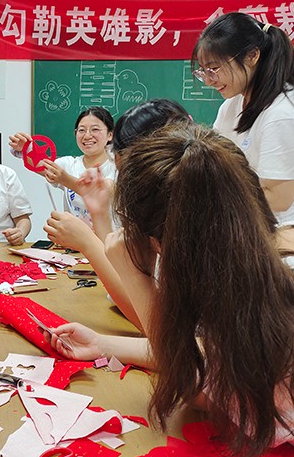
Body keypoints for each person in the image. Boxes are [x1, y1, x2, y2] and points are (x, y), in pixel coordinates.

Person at [45, 124, 294, 457]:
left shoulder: (284, 309)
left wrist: (136, 276)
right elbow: (208, 351)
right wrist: (104, 344)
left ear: (166, 244)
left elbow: (196, 384)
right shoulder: (293, 239)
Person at [44, 99, 192, 330]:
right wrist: (100, 214)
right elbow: (135, 297)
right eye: (82, 130)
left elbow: (160, 328)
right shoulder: (161, 208)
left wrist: (88, 242)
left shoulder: (182, 224)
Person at [192, 11, 294, 223]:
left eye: (214, 69)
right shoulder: (231, 106)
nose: (208, 80)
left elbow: (278, 198)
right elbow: (215, 162)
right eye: (203, 71)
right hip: (241, 224)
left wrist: (216, 200)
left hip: (276, 230)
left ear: (252, 56)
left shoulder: (284, 113)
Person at [9, 107, 115, 225]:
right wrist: (25, 148)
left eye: (95, 129)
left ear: (110, 135)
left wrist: (65, 179)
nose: (87, 136)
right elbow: (38, 164)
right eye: (81, 130)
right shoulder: (68, 164)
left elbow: (101, 192)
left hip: (109, 236)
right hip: (73, 236)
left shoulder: (118, 166)